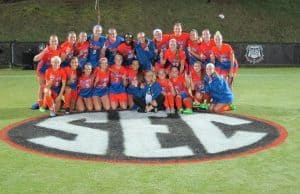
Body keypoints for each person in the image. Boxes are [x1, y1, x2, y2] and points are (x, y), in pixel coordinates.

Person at [32, 34, 61, 110]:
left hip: (50, 71)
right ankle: (40, 103)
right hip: (42, 70)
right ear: (49, 42)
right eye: (52, 41)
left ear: (58, 42)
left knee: (48, 87)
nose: (54, 42)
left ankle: (47, 103)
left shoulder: (58, 50)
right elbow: (35, 59)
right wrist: (43, 52)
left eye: (55, 41)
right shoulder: (46, 49)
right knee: (42, 86)